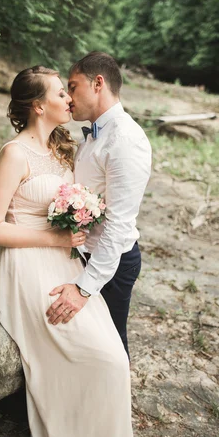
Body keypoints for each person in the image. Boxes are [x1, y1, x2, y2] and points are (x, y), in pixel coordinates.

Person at [0, 65, 143, 437]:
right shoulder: (14, 153)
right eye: (61, 93)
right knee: (79, 350)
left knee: (114, 357)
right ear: (38, 105)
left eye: (70, 92)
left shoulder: (62, 149)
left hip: (65, 263)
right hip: (25, 264)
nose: (70, 100)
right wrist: (52, 238)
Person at [46, 52, 152, 359]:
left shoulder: (126, 139)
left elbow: (119, 224)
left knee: (110, 349)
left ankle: (116, 405)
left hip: (112, 263)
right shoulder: (96, 134)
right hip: (82, 251)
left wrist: (84, 288)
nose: (68, 97)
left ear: (98, 84)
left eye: (73, 86)